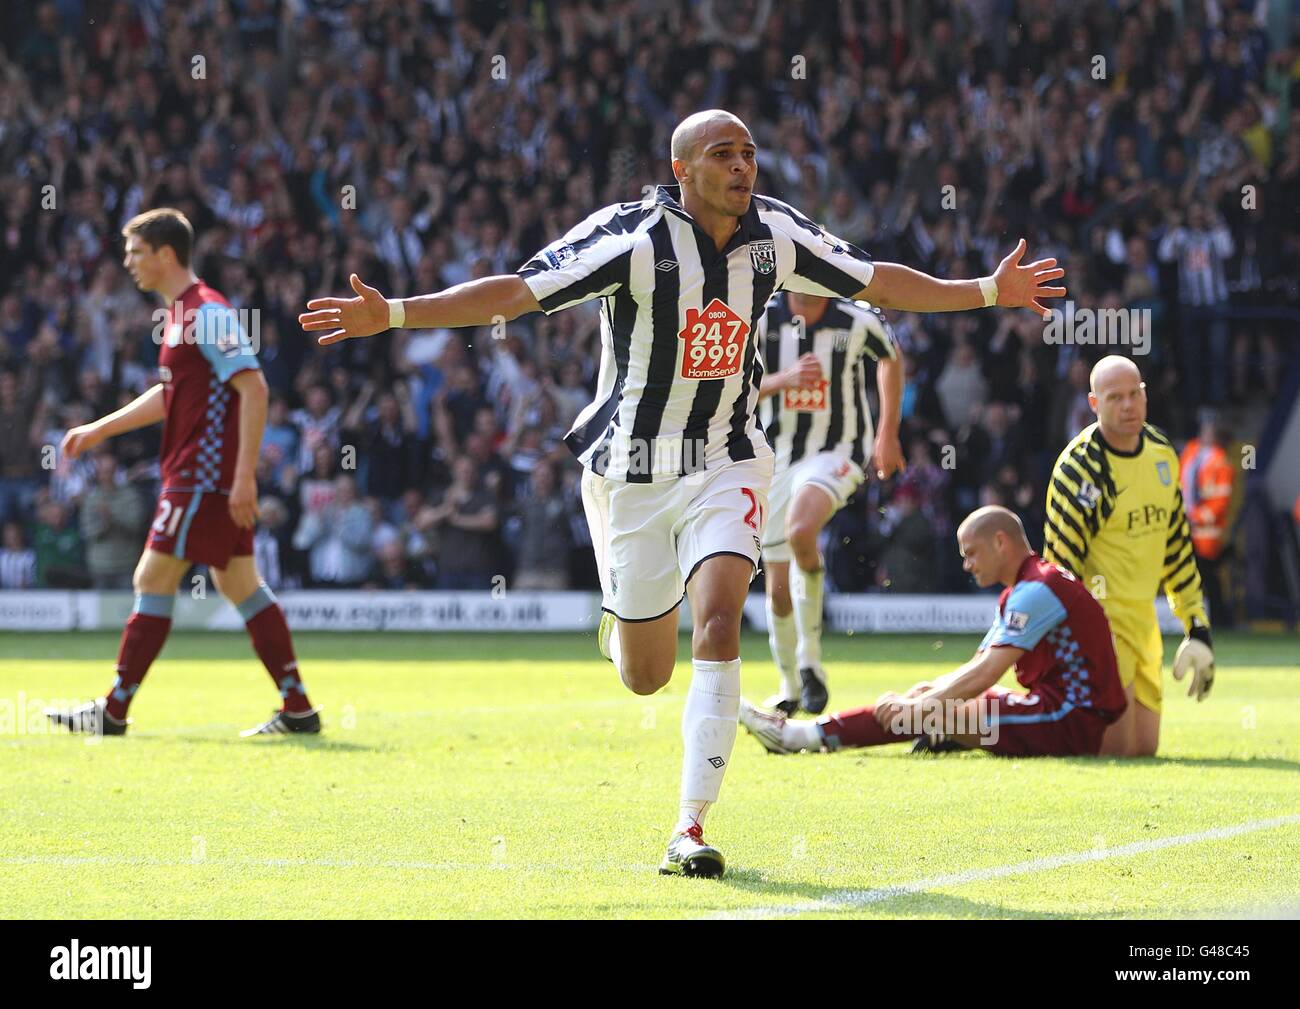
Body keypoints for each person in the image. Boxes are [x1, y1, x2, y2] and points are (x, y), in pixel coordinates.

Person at [299, 109, 1065, 878]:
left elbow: (877, 281)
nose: (743, 167)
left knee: (723, 619)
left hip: (727, 457)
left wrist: (987, 290)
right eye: (723, 154)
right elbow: (518, 293)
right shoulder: (631, 238)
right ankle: (625, 618)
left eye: (750, 154)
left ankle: (690, 827)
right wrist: (395, 313)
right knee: (645, 674)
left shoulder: (777, 235)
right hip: (631, 471)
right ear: (683, 169)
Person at [45, 208, 320, 737]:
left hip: (201, 476)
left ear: (165, 254)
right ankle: (298, 709)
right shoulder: (181, 315)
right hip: (204, 474)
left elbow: (254, 388)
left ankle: (113, 711)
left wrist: (244, 477)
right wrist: (100, 429)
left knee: (152, 578)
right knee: (239, 583)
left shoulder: (206, 312)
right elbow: (174, 394)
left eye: (135, 252)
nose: (128, 263)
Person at [739, 507, 1127, 757]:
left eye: (971, 553)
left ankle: (796, 737)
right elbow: (977, 665)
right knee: (932, 700)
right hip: (1058, 710)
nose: (967, 565)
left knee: (932, 713)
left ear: (1000, 541)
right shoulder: (1025, 588)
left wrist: (919, 709)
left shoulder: (1037, 589)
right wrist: (924, 695)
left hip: (1070, 719)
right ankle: (811, 734)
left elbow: (985, 674)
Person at [1042, 356, 1214, 757]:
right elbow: (1059, 570)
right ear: (1093, 403)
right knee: (1115, 754)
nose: (1127, 405)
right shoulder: (1081, 467)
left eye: (1134, 394)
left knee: (1143, 751)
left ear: (1145, 395)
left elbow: (1176, 549)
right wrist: (1067, 649)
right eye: (1114, 397)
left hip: (1144, 624)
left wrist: (1197, 627)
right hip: (1099, 627)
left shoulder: (1161, 453)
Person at [755, 291, 904, 715]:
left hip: (838, 451)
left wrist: (887, 432)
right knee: (778, 584)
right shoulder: (761, 316)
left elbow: (892, 356)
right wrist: (784, 380)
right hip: (776, 458)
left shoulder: (857, 319)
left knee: (802, 530)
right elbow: (732, 383)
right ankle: (790, 685)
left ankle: (810, 662)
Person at [1179, 413, 1236, 628]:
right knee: (1190, 577)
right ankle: (1193, 619)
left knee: (1209, 579)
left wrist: (1195, 517)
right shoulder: (1191, 452)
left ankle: (1220, 621)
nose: (1206, 432)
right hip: (1186, 527)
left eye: (1211, 429)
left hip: (1207, 533)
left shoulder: (1222, 463)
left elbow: (1221, 503)